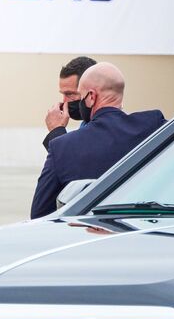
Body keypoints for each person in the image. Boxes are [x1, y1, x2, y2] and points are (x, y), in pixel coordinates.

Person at [30, 63, 166, 219]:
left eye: (79, 97)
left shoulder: (62, 146)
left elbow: (39, 215)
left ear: (91, 97)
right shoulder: (154, 125)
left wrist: (56, 133)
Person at [43, 56, 98, 151]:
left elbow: (70, 163)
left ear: (91, 93)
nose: (64, 101)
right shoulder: (86, 124)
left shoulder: (102, 129)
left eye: (70, 94)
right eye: (63, 94)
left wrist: (56, 131)